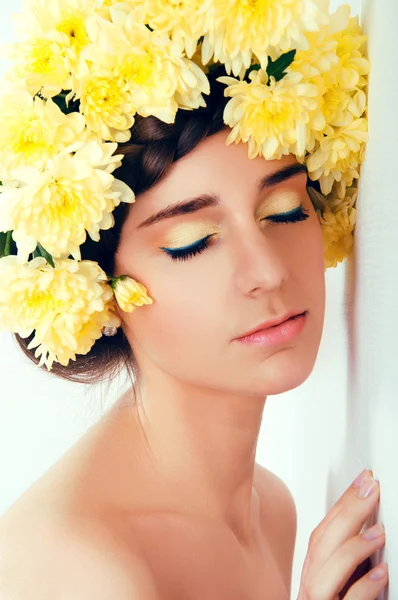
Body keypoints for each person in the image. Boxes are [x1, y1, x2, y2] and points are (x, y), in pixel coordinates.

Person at [0, 0, 387, 598]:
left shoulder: (274, 510)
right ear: (97, 288)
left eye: (284, 211)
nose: (266, 270)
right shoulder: (79, 568)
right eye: (192, 243)